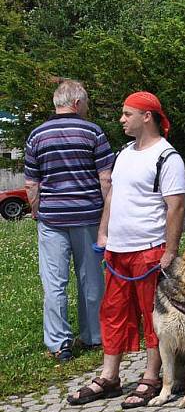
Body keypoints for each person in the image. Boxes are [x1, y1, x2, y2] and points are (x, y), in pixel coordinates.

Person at [67, 91, 185, 408]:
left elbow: (174, 207)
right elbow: (113, 197)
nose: (121, 119)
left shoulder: (167, 157)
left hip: (149, 249)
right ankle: (109, 376)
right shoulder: (123, 154)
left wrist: (170, 251)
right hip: (117, 252)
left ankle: (152, 377)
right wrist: (104, 231)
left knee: (152, 317)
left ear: (147, 116)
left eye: (126, 113)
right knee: (113, 312)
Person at [23, 80, 113, 362]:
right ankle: (94, 336)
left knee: (54, 283)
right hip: (88, 216)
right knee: (91, 280)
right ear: (76, 103)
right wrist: (107, 214)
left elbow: (31, 183)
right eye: (86, 103)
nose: (87, 108)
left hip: (52, 219)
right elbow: (106, 178)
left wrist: (37, 210)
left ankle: (59, 344)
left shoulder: (36, 136)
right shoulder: (93, 132)